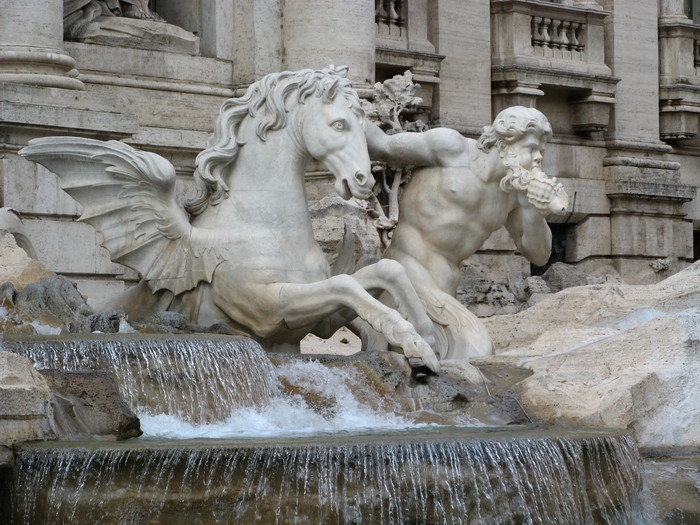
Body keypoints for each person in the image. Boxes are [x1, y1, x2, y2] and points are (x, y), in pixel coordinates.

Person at [365, 106, 569, 361]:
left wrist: (535, 211)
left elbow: (538, 255)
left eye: (541, 150)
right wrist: (339, 110)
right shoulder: (452, 149)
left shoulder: (514, 194)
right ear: (505, 141)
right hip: (405, 273)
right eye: (531, 148)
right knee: (475, 353)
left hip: (445, 289)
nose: (538, 158)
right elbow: (382, 145)